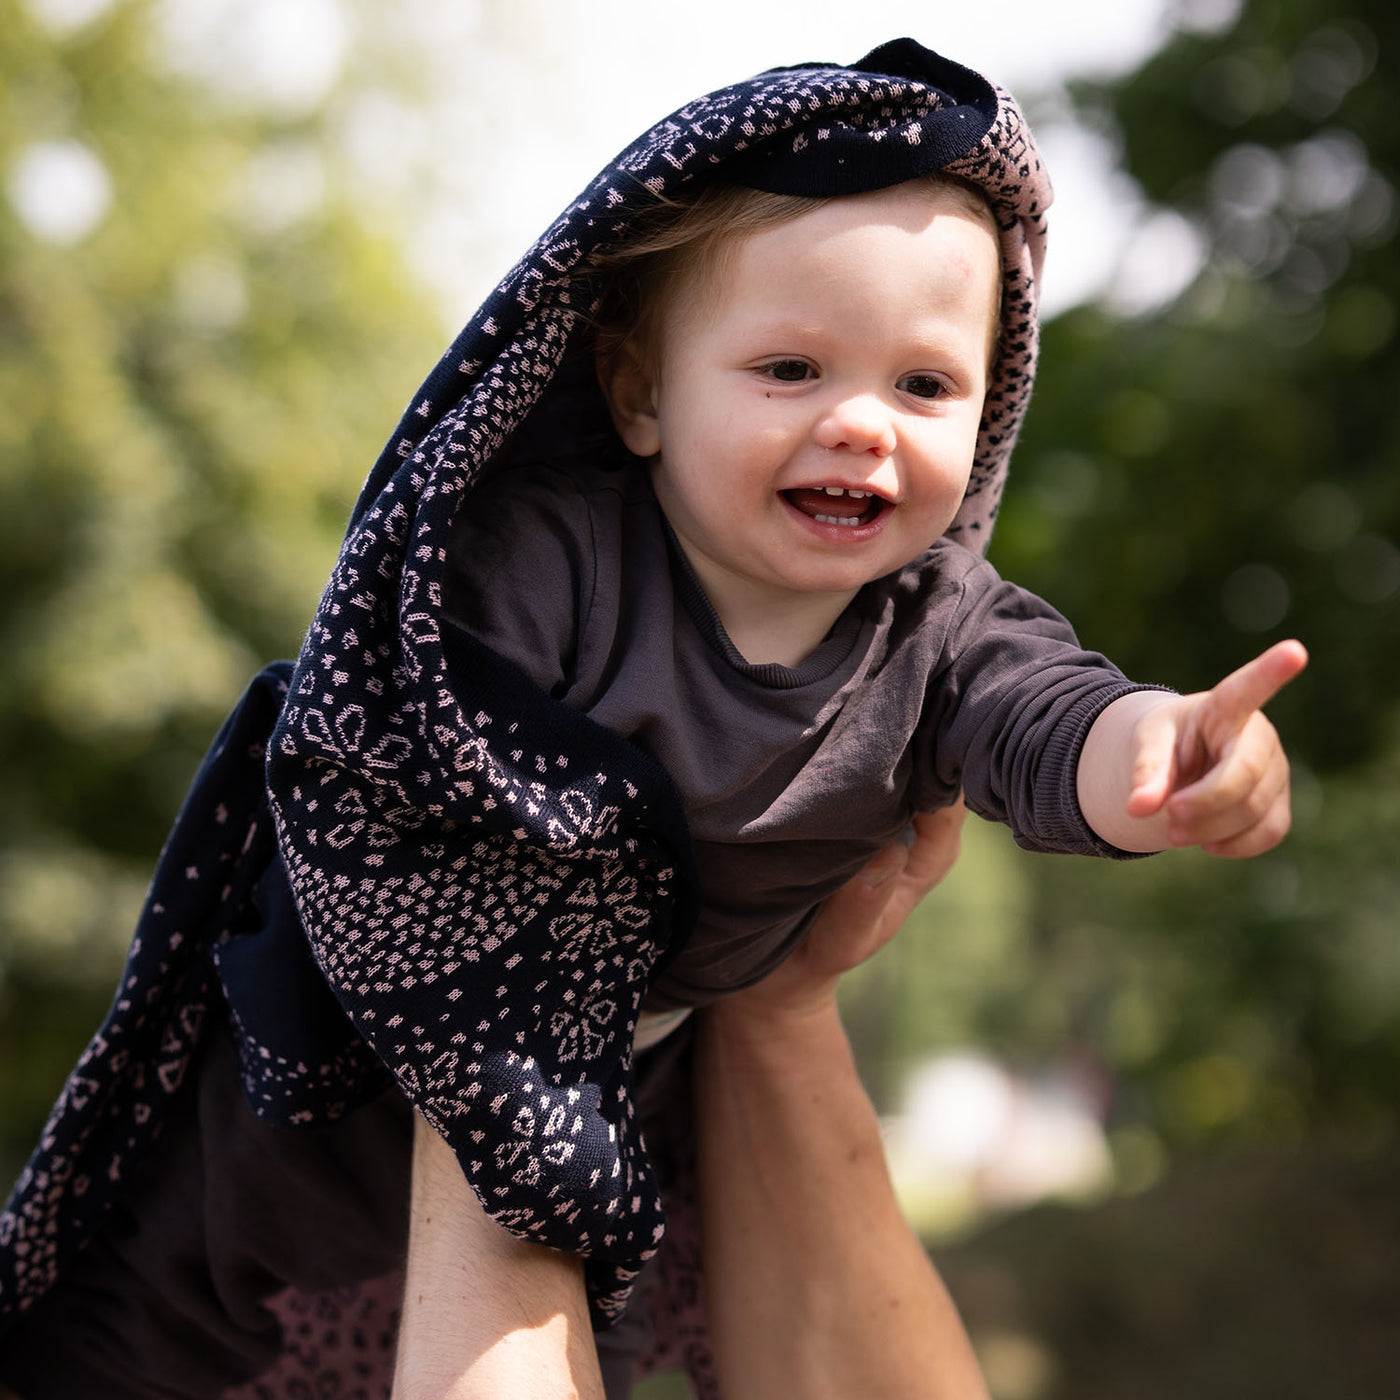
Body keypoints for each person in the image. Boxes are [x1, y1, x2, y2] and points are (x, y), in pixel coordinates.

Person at [0, 37, 1305, 1399]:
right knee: (180, 1284)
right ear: (638, 394)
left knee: (598, 1312)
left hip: (642, 1071)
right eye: (791, 370)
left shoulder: (947, 631)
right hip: (373, 1032)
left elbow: (1053, 726)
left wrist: (1157, 757)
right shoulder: (547, 554)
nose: (864, 424)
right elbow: (391, 715)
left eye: (924, 386)